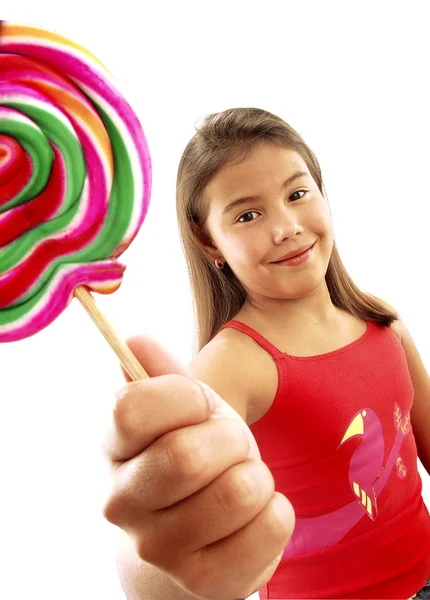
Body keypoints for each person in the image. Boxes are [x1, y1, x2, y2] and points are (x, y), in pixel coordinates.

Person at [102, 108, 430, 599]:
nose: (287, 228)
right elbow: (163, 547)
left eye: (297, 194)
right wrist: (149, 570)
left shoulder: (383, 322)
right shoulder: (230, 366)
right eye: (248, 215)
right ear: (208, 240)